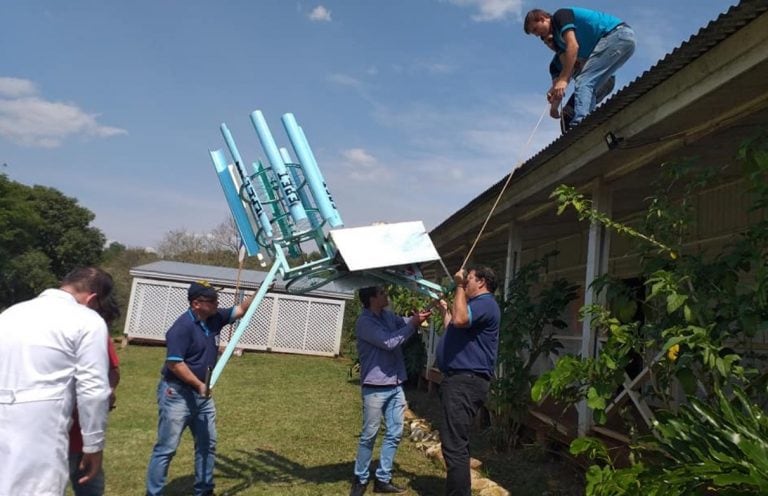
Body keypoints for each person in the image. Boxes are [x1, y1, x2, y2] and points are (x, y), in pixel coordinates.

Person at [0, 267, 115, 496]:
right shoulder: (87, 320)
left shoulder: (11, 313)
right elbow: (93, 390)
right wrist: (93, 445)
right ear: (92, 299)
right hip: (43, 423)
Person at [145, 280, 255, 496]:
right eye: (212, 300)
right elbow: (175, 363)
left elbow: (241, 309)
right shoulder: (181, 328)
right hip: (177, 394)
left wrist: (259, 290)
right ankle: (154, 493)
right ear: (196, 303)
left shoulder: (214, 318)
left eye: (216, 299)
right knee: (167, 448)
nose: (217, 303)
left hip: (203, 396)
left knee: (207, 444)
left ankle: (204, 490)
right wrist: (198, 385)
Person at [350, 286, 432, 496]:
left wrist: (417, 317)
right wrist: (412, 325)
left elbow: (403, 323)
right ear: (372, 299)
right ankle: (360, 479)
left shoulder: (387, 316)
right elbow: (389, 342)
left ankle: (382, 479)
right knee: (369, 435)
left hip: (395, 385)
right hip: (375, 388)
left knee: (395, 433)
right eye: (383, 294)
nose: (387, 296)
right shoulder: (365, 322)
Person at [435, 267, 500, 496]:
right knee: (456, 442)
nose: (466, 281)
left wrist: (459, 285)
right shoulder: (476, 306)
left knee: (454, 446)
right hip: (461, 380)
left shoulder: (485, 303)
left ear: (481, 282)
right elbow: (454, 326)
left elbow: (460, 319)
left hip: (465, 381)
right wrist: (446, 310)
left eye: (470, 278)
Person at [524, 7, 636, 129]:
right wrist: (554, 104)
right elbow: (567, 71)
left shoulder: (560, 16)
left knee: (584, 81)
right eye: (535, 35)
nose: (537, 34)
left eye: (535, 29)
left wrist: (563, 79)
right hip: (622, 44)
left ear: (542, 18)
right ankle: (588, 123)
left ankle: (580, 124)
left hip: (617, 34)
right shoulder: (559, 44)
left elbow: (573, 46)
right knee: (588, 86)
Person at [69, 297, 122, 496]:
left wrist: (107, 394)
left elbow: (113, 372)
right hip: (71, 433)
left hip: (76, 432)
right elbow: (113, 373)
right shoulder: (91, 333)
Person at [542, 33, 616, 134]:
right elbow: (557, 86)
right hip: (585, 87)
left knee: (579, 111)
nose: (550, 45)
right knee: (567, 115)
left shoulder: (576, 46)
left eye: (551, 40)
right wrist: (554, 107)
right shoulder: (555, 65)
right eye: (546, 43)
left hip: (603, 78)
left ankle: (588, 129)